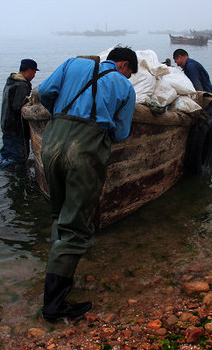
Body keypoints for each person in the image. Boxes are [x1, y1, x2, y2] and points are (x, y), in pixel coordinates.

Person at [37, 47, 138, 322]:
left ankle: (54, 276)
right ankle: (54, 305)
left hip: (51, 142)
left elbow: (44, 91)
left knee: (59, 213)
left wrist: (61, 115)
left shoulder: (72, 63)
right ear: (124, 65)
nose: (129, 76)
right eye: (130, 72)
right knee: (76, 227)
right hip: (85, 149)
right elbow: (121, 131)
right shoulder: (124, 85)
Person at [173, 49, 212, 150]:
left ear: (180, 57)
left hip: (208, 102)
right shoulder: (192, 64)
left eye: (176, 60)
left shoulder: (190, 67)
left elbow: (197, 88)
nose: (176, 63)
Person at [0, 59, 39, 169]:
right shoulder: (22, 85)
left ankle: (0, 167)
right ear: (29, 70)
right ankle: (13, 175)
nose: (34, 75)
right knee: (18, 158)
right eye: (34, 72)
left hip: (6, 124)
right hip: (16, 128)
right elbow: (18, 107)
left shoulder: (11, 81)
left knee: (6, 153)